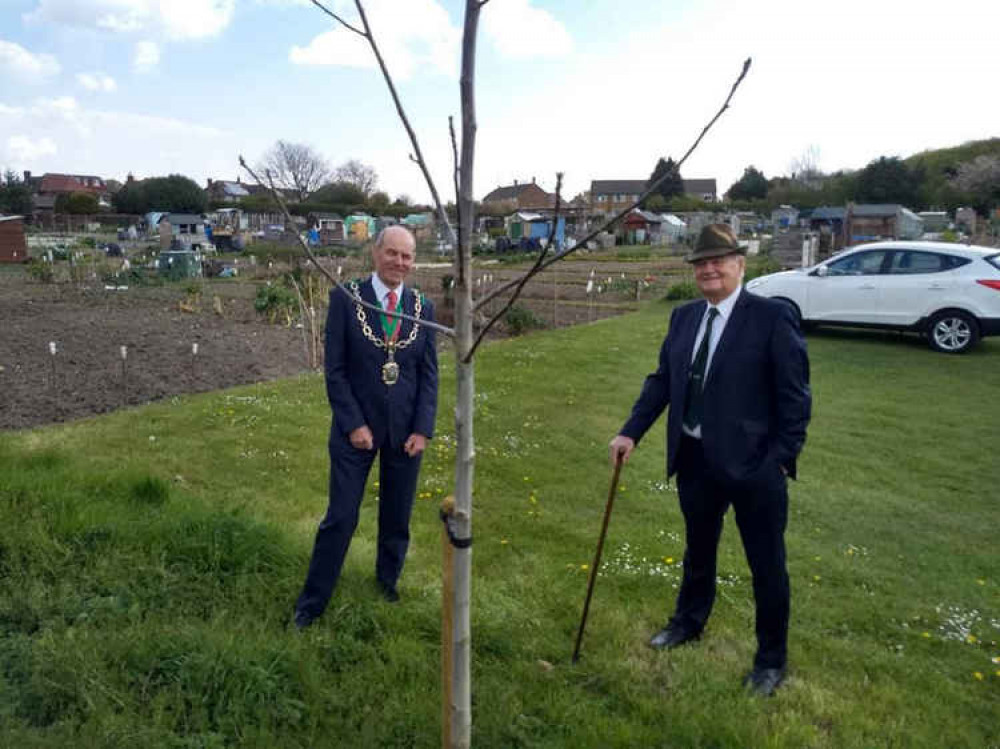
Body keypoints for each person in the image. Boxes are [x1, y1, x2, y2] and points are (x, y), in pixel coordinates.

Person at [609, 223, 811, 696]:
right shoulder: (683, 317)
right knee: (697, 552)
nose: (709, 268)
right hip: (695, 458)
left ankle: (770, 661)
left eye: (719, 260)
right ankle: (688, 623)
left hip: (755, 467)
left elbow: (795, 398)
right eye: (701, 263)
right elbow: (663, 381)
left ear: (740, 265)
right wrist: (630, 431)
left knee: (767, 564)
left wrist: (780, 459)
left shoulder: (770, 319)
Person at [294, 225, 438, 629]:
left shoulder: (422, 307)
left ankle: (386, 584)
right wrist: (353, 423)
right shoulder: (346, 298)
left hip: (405, 433)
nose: (399, 262)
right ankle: (312, 603)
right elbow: (335, 370)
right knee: (341, 517)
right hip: (354, 433)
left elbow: (429, 375)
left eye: (407, 256)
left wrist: (423, 429)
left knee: (397, 517)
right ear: (375, 254)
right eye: (392, 253)